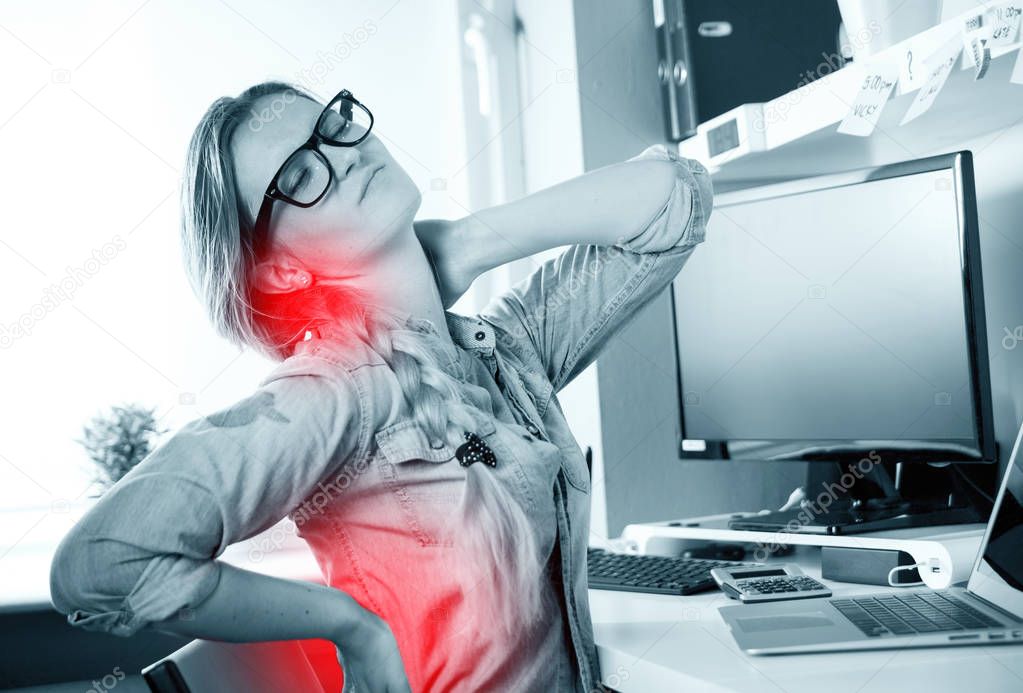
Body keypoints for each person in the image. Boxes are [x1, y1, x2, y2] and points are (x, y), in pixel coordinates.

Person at [48, 81, 713, 692]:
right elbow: (100, 564)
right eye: (300, 176)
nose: (343, 157)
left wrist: (468, 241)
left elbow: (674, 199)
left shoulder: (505, 350)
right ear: (281, 274)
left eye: (333, 127)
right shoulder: (331, 392)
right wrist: (348, 624)